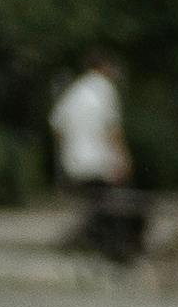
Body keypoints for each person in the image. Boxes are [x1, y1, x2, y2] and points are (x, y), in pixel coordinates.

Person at [50, 48, 134, 273]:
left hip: (75, 159)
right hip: (100, 159)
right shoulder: (106, 89)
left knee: (96, 202)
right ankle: (114, 251)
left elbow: (57, 124)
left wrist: (69, 148)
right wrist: (122, 157)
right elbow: (112, 128)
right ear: (104, 67)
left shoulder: (75, 90)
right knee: (114, 204)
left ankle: (95, 245)